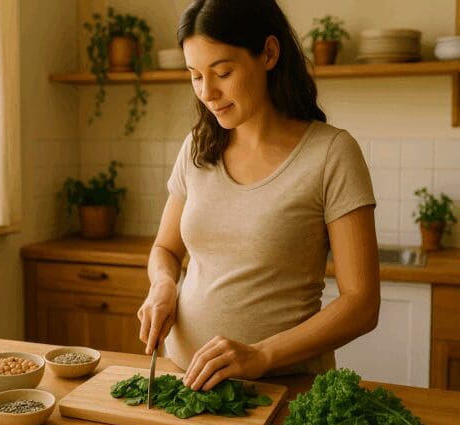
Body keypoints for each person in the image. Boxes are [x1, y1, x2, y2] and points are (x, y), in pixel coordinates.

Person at [137, 0, 380, 392]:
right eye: (195, 76)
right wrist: (163, 285)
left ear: (268, 53)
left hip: (282, 391)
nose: (208, 92)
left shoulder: (331, 154)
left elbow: (362, 304)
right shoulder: (198, 147)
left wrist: (260, 354)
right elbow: (165, 249)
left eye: (223, 72)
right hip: (181, 382)